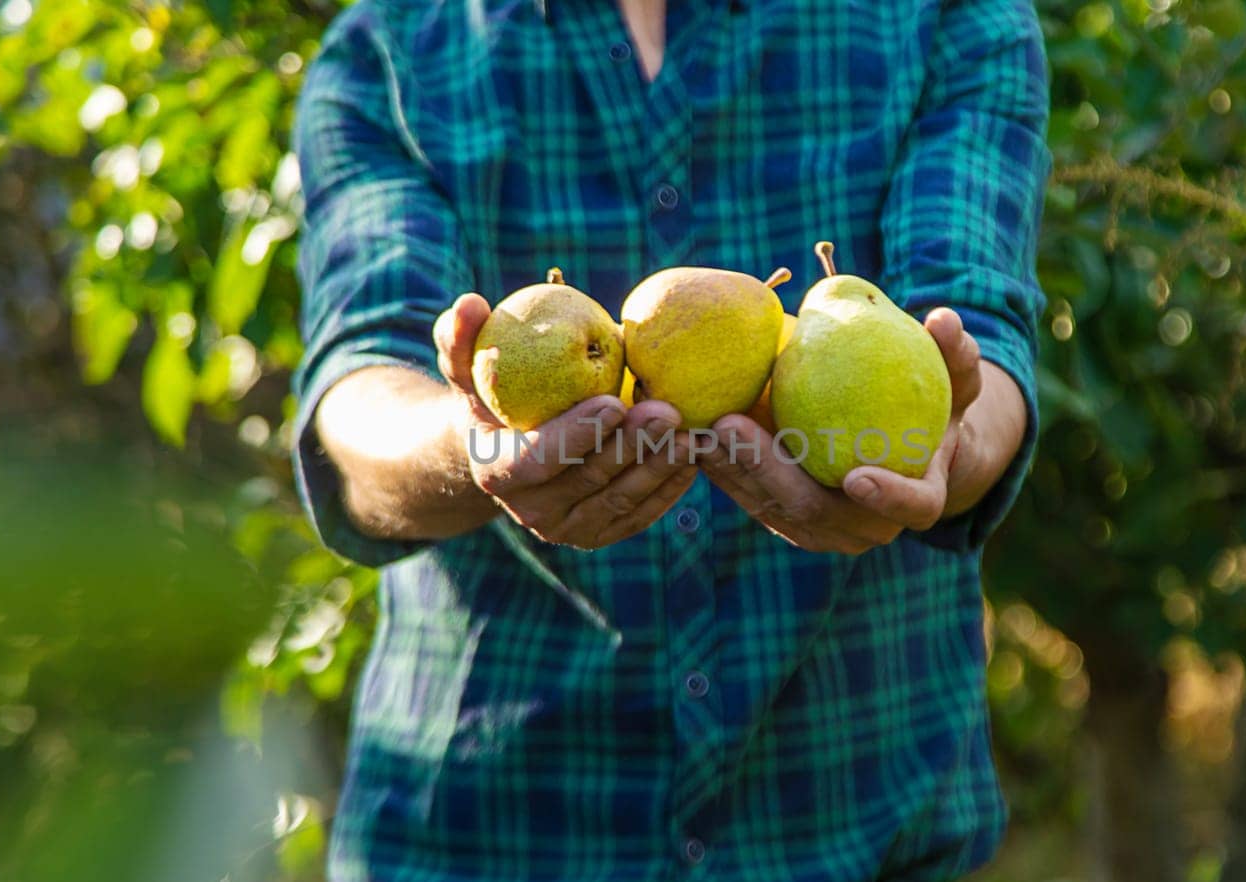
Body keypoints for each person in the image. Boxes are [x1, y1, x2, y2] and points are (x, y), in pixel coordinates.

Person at [291, 0, 1051, 878]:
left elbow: (982, 346)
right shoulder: (387, 49)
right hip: (490, 832)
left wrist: (944, 445)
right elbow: (359, 387)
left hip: (855, 822)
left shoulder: (947, 17)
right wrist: (469, 447)